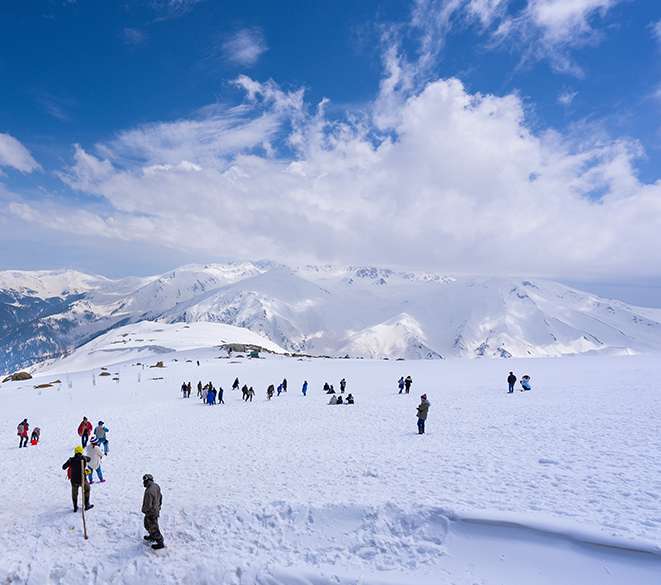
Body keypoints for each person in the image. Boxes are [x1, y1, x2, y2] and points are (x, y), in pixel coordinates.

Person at [62, 446, 93, 512]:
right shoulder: (84, 458)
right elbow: (89, 459)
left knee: (74, 493)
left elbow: (63, 467)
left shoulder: (71, 460)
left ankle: (75, 507)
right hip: (82, 479)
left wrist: (70, 462)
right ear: (81, 452)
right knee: (87, 489)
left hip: (74, 480)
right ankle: (87, 505)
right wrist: (84, 458)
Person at [142, 474, 164, 550]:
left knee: (153, 528)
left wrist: (144, 510)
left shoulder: (149, 491)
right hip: (156, 510)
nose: (143, 483)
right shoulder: (156, 486)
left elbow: (148, 505)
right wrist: (159, 506)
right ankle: (152, 536)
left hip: (151, 513)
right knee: (147, 525)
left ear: (147, 481)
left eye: (144, 481)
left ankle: (160, 543)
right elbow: (161, 497)